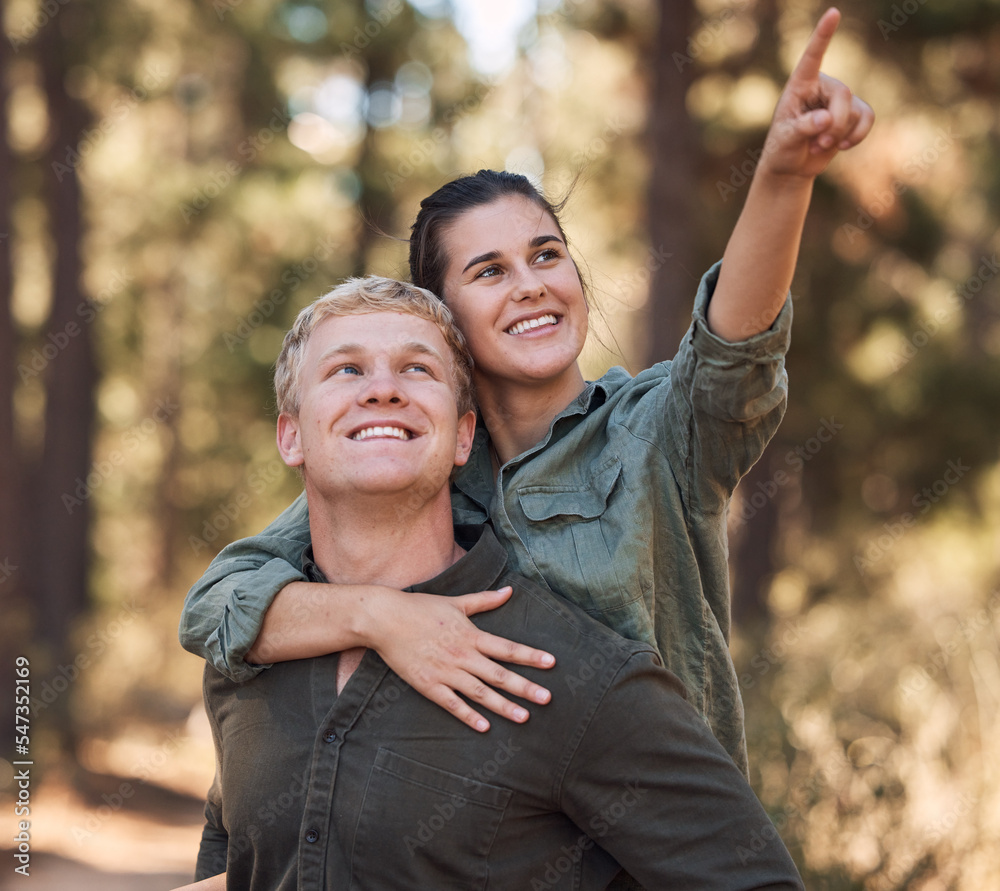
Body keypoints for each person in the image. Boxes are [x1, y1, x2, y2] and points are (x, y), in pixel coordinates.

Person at [178, 8, 873, 776]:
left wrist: (783, 174)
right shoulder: (419, 469)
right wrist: (382, 617)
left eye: (546, 255)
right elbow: (220, 603)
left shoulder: (655, 433)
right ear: (441, 316)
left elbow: (735, 349)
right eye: (489, 271)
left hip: (663, 851)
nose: (531, 285)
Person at [180, 276, 804, 890]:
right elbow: (239, 858)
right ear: (291, 436)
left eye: (416, 369)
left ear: (463, 436)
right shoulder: (251, 654)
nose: (382, 391)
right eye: (346, 369)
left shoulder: (567, 674)